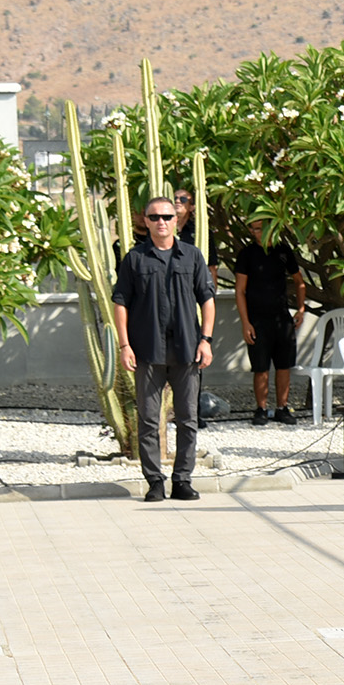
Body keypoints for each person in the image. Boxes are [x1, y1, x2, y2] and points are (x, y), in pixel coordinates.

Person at [112, 194, 217, 501]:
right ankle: (155, 481)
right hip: (147, 350)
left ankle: (182, 480)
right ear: (145, 221)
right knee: (147, 421)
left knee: (188, 420)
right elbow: (121, 303)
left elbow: (207, 300)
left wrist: (206, 340)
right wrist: (124, 345)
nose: (161, 222)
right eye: (155, 217)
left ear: (177, 221)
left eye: (167, 217)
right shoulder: (135, 258)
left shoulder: (192, 256)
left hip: (187, 350)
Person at [231, 218, 305, 425]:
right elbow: (240, 290)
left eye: (262, 228)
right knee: (260, 367)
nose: (258, 232)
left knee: (284, 366)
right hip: (257, 319)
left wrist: (301, 308)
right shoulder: (246, 254)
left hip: (282, 318)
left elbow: (299, 282)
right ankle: (261, 409)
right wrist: (246, 322)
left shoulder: (283, 251)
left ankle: (283, 408)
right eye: (254, 229)